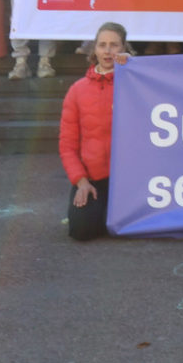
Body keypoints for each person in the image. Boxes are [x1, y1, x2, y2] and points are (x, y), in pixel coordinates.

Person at [59, 21, 129, 242]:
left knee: (131, 229)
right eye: (102, 45)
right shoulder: (77, 90)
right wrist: (81, 181)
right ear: (95, 49)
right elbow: (67, 145)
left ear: (123, 48)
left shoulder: (134, 82)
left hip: (129, 179)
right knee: (81, 230)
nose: (108, 51)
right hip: (93, 179)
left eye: (114, 45)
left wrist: (133, 68)